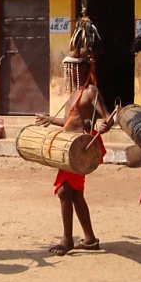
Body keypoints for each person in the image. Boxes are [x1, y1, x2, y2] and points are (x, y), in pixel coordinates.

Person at [35, 53, 116, 256]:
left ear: (84, 69)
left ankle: (67, 239)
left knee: (64, 191)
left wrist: (106, 124)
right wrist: (49, 119)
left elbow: (107, 117)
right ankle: (89, 239)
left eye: (75, 68)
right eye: (70, 69)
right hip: (69, 147)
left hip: (82, 148)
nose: (72, 73)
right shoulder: (74, 93)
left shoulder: (90, 91)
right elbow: (68, 122)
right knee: (75, 194)